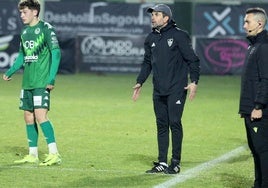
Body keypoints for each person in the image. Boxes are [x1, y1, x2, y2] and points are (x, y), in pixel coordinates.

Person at [132, 4, 200, 174]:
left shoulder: (179, 36)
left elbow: (193, 60)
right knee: (161, 125)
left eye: (156, 14)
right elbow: (147, 62)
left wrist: (194, 81)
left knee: (174, 123)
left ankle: (175, 162)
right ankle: (162, 162)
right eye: (152, 14)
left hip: (177, 88)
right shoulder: (151, 38)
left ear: (166, 18)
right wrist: (140, 81)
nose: (153, 17)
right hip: (158, 90)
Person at [2, 0, 61, 166]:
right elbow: (22, 55)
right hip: (27, 82)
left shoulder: (46, 29)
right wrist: (10, 71)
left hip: (41, 82)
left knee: (41, 116)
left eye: (24, 12)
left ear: (35, 12)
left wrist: (51, 78)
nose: (21, 15)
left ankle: (54, 153)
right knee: (28, 116)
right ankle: (33, 154)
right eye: (20, 12)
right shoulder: (25, 31)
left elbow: (56, 54)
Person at [239, 7, 268, 188]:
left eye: (247, 22)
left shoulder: (264, 47)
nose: (244, 25)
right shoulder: (254, 45)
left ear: (259, 23)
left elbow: (266, 79)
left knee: (263, 151)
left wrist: (258, 106)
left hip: (259, 111)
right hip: (250, 109)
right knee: (256, 150)